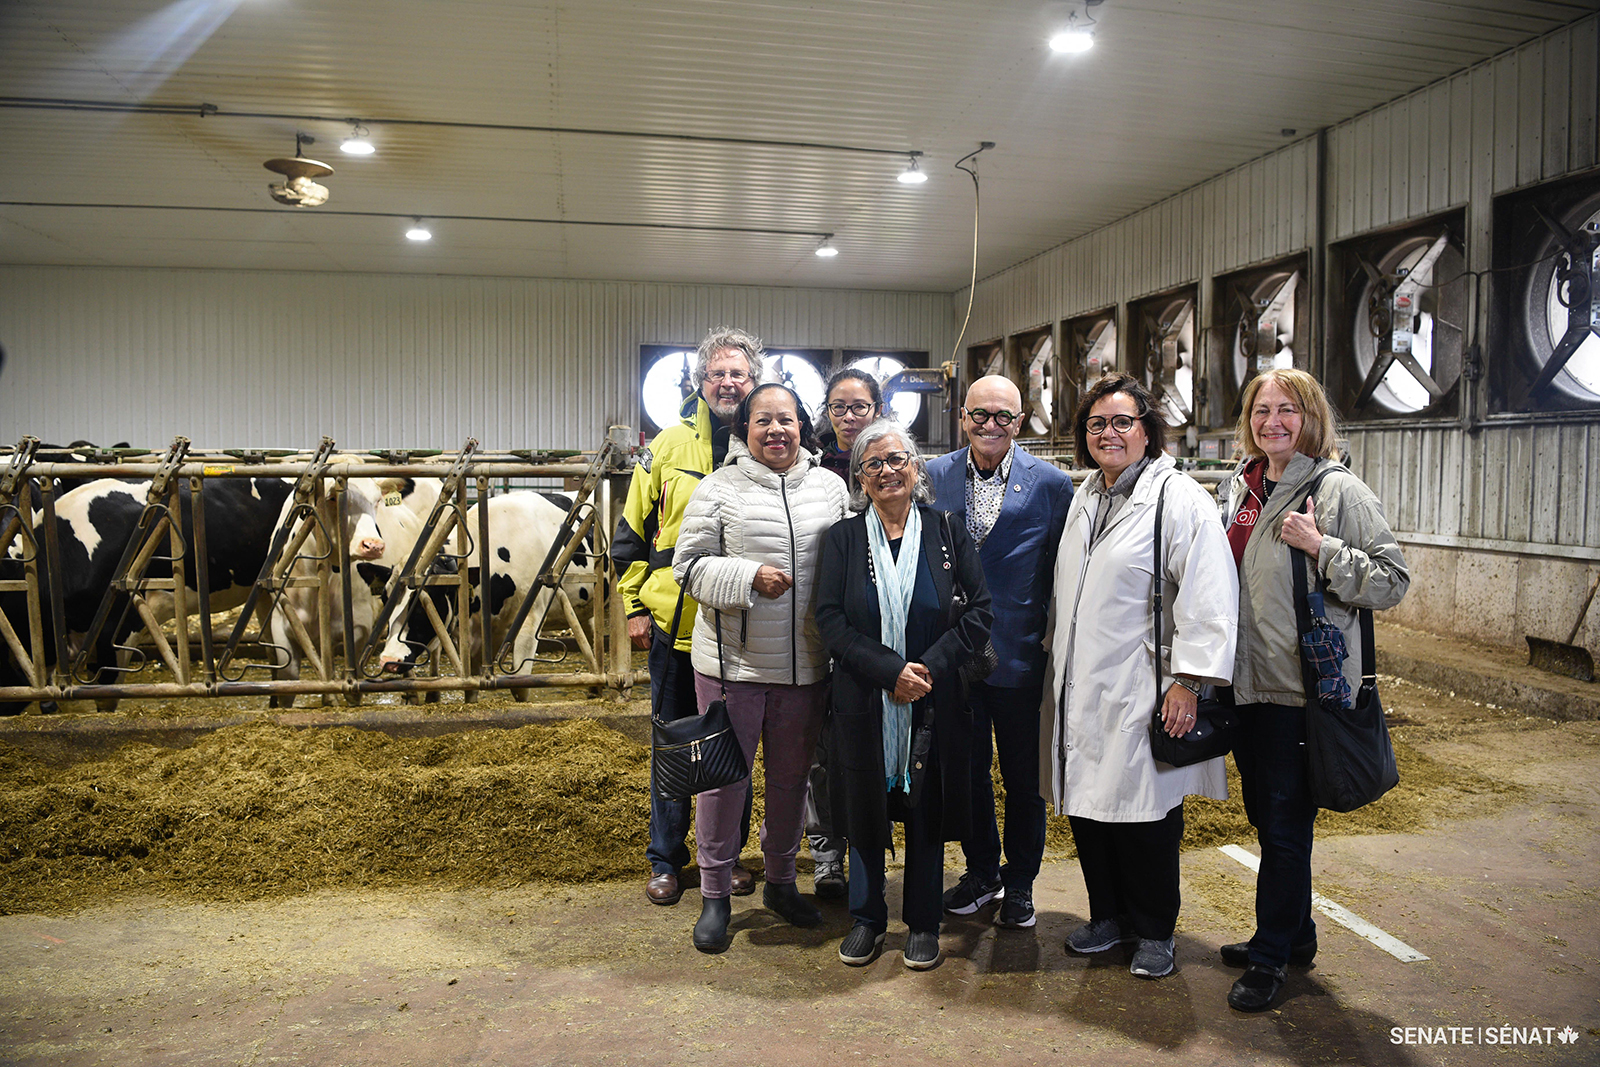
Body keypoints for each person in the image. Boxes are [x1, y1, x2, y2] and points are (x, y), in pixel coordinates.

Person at [1219, 368, 1409, 1012]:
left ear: (1311, 417)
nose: (1271, 421)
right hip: (1245, 685)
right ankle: (1295, 935)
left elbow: (1391, 579)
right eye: (1261, 410)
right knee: (1267, 817)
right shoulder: (1240, 486)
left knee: (1283, 827)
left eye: (1287, 410)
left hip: (1298, 692)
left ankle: (1271, 957)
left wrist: (1323, 547)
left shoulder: (1337, 490)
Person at [1039, 373, 1238, 980]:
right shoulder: (1086, 496)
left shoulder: (1179, 499)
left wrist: (1190, 681)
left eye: (1123, 422)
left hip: (1142, 683)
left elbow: (1210, 593)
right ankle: (1108, 917)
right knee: (1088, 805)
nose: (1109, 433)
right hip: (1080, 679)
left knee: (1146, 813)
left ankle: (1154, 930)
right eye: (1097, 424)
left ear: (1147, 431)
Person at [673, 382, 850, 953]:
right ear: (744, 429)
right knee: (724, 782)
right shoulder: (718, 488)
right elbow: (688, 568)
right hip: (733, 667)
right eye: (763, 421)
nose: (776, 430)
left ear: (803, 426)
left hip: (806, 667)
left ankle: (780, 882)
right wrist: (748, 577)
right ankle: (715, 893)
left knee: (792, 781)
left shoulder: (830, 489)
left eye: (786, 419)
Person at [816, 421, 994, 970]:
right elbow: (830, 619)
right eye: (873, 464)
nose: (887, 471)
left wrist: (927, 669)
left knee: (926, 811)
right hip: (865, 697)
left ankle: (922, 921)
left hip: (933, 698)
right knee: (865, 806)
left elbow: (980, 612)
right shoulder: (842, 540)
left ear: (915, 468)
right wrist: (890, 672)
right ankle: (867, 919)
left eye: (896, 459)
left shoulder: (947, 531)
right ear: (860, 478)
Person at [613, 326, 760, 907]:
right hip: (674, 623)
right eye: (717, 373)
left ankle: (726, 855)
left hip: (739, 627)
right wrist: (633, 605)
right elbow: (630, 533)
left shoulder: (764, 445)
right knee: (675, 742)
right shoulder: (667, 446)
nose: (728, 383)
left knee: (734, 745)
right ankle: (665, 859)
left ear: (754, 381)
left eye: (738, 374)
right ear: (700, 380)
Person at [926, 374, 1073, 929]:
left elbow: (1064, 570)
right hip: (954, 658)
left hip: (1020, 657)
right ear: (962, 417)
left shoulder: (1052, 485)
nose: (991, 425)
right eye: (980, 414)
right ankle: (982, 871)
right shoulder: (932, 476)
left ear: (1021, 420)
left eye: (1003, 416)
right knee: (967, 773)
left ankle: (1022, 882)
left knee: (1023, 779)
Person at [804, 366, 885, 900]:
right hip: (823, 624)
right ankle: (825, 852)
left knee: (874, 745)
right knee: (821, 749)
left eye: (860, 406)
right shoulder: (812, 467)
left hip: (882, 630)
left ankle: (868, 850)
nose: (849, 416)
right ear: (827, 412)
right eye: (839, 407)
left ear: (877, 409)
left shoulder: (896, 461)